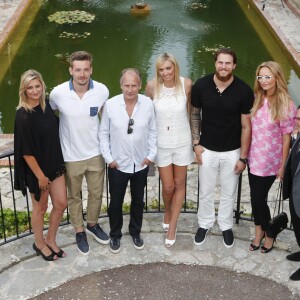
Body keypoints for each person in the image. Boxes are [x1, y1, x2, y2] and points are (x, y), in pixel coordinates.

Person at [191, 48, 254, 248]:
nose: (223, 66)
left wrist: (243, 157)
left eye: (228, 63)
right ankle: (205, 223)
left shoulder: (244, 91)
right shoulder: (201, 86)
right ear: (215, 63)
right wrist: (196, 144)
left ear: (234, 65)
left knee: (229, 192)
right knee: (206, 191)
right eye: (220, 62)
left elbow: (246, 126)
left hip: (232, 150)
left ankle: (225, 225)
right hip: (207, 149)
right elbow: (194, 116)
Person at [50, 51, 110, 255]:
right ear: (71, 71)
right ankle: (79, 230)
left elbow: (107, 120)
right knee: (73, 196)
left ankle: (92, 224)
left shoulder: (102, 91)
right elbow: (49, 118)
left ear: (91, 69)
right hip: (70, 156)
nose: (82, 74)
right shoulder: (57, 94)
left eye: (86, 69)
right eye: (78, 70)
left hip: (95, 154)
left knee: (96, 193)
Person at [99, 68, 157, 254]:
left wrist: (151, 156)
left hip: (140, 163)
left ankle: (135, 232)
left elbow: (153, 131)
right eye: (126, 85)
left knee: (138, 202)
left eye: (134, 85)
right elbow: (103, 133)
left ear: (139, 85)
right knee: (115, 203)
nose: (130, 89)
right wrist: (109, 159)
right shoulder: (110, 104)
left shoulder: (147, 104)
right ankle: (115, 235)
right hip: (117, 164)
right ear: (121, 85)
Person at [14, 70, 67, 261]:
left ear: (42, 86)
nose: (35, 90)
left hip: (55, 165)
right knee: (41, 208)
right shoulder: (23, 115)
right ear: (24, 90)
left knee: (61, 203)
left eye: (38, 86)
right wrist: (41, 176)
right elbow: (26, 152)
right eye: (30, 87)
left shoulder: (46, 107)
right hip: (38, 172)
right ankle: (39, 243)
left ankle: (51, 240)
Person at [145, 53, 194, 247]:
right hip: (161, 143)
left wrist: (196, 142)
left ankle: (173, 225)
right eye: (161, 69)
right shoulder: (151, 87)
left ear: (175, 67)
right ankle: (167, 210)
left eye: (168, 68)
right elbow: (147, 116)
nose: (165, 73)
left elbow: (191, 112)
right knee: (168, 186)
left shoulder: (186, 84)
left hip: (182, 141)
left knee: (179, 183)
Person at [248, 61, 296, 253]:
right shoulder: (256, 98)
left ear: (277, 78)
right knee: (254, 198)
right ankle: (258, 231)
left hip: (270, 161)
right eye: (260, 77)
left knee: (259, 199)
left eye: (268, 76)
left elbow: (286, 139)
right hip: (253, 158)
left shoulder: (286, 104)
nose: (264, 81)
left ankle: (269, 233)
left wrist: (283, 165)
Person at [283, 104, 300, 280]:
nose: (296, 121)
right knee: (297, 226)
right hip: (295, 193)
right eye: (296, 117)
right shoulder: (297, 136)